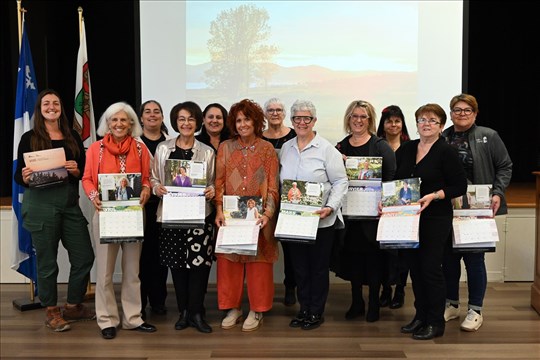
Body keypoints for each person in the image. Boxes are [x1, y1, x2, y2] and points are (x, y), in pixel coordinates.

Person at [14, 89, 95, 332]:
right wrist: (26, 178)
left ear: (61, 108)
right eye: (46, 103)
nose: (52, 107)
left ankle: (72, 305)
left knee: (84, 257)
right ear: (40, 108)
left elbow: (82, 172)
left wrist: (75, 171)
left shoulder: (72, 136)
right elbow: (19, 175)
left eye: (56, 103)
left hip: (69, 205)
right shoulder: (29, 138)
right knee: (48, 263)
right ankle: (51, 310)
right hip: (40, 205)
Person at [82, 102, 156, 340]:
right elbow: (86, 179)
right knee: (104, 271)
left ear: (131, 123)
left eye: (123, 120)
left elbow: (147, 178)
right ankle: (107, 320)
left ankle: (133, 318)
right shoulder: (95, 149)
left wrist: (146, 189)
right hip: (105, 214)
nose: (119, 124)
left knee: (132, 270)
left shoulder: (141, 148)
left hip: (134, 214)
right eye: (114, 120)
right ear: (107, 123)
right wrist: (94, 196)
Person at [395, 103, 467, 340]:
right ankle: (420, 316)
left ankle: (435, 323)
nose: (426, 124)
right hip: (408, 218)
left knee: (430, 269)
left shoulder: (446, 152)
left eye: (432, 121)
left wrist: (435, 195)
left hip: (435, 217)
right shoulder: (406, 149)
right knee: (414, 269)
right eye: (422, 120)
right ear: (416, 124)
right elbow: (396, 181)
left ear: (441, 126)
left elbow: (459, 186)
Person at [442, 93, 512, 332]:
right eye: (457, 110)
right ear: (450, 113)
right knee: (449, 259)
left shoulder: (488, 136)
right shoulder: (443, 137)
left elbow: (505, 166)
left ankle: (475, 310)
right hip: (448, 207)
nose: (462, 114)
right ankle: (451, 304)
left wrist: (498, 192)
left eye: (467, 110)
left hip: (478, 207)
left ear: (475, 113)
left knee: (474, 259)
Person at [280, 100, 348, 330]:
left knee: (317, 268)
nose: (301, 122)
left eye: (306, 118)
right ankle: (304, 309)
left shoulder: (327, 149)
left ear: (314, 121)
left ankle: (316, 312)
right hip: (294, 220)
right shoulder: (286, 148)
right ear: (292, 122)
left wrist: (331, 207)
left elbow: (340, 181)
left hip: (321, 220)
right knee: (299, 267)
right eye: (297, 118)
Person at [151, 101, 216, 334]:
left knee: (199, 266)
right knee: (177, 265)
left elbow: (213, 182)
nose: (186, 123)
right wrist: (157, 188)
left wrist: (212, 190)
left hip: (200, 216)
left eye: (190, 119)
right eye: (181, 119)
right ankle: (184, 312)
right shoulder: (162, 148)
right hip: (171, 215)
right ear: (175, 122)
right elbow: (153, 178)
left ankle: (197, 312)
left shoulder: (207, 151)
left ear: (197, 122)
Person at [215, 99, 279, 332]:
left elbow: (273, 186)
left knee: (258, 264)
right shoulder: (225, 147)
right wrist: (219, 210)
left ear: (256, 121)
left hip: (258, 217)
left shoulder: (267, 149)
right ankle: (233, 308)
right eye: (238, 120)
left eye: (247, 119)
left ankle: (257, 309)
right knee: (229, 262)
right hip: (231, 217)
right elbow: (219, 182)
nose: (242, 124)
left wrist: (268, 214)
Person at [334, 100, 396, 323]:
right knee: (353, 261)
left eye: (363, 117)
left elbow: (391, 178)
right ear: (348, 119)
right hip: (350, 217)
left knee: (374, 261)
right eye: (354, 116)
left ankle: (373, 305)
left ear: (370, 120)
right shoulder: (340, 147)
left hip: (374, 216)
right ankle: (357, 302)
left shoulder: (380, 146)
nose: (358, 120)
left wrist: (384, 203)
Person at [262, 97, 298, 306]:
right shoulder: (258, 137)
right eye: (270, 110)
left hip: (288, 199)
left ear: (284, 114)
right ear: (265, 114)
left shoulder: (295, 135)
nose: (275, 113)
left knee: (291, 250)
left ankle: (290, 287)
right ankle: (262, 292)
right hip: (264, 199)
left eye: (278, 110)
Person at [137, 100, 170, 319]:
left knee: (160, 256)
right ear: (140, 118)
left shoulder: (172, 143)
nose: (152, 115)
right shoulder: (132, 142)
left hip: (166, 207)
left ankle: (159, 301)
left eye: (156, 111)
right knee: (140, 257)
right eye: (147, 112)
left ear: (162, 116)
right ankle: (138, 302)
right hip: (140, 207)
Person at [377, 105, 411, 310]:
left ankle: (400, 289)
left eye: (397, 121)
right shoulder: (377, 145)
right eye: (389, 121)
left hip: (405, 204)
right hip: (381, 204)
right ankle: (385, 289)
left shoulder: (410, 145)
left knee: (402, 251)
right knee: (384, 250)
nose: (393, 124)